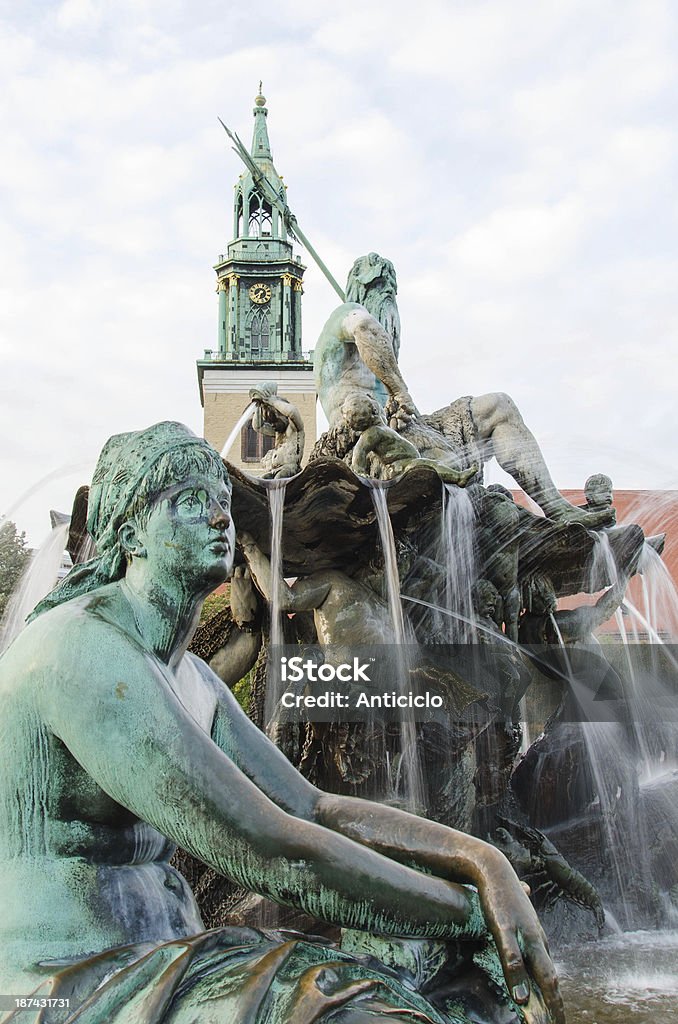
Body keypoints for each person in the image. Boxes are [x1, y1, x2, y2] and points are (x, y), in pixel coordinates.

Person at [0, 422, 563, 1023]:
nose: (220, 519)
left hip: (164, 956)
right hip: (55, 984)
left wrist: (482, 862)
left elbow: (314, 808)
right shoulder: (83, 649)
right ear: (131, 531)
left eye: (222, 502)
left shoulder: (191, 677)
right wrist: (472, 913)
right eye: (190, 503)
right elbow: (268, 847)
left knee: (465, 993)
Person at [314, 253, 614, 528]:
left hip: (408, 428)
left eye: (392, 287)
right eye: (380, 285)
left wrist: (403, 402)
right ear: (360, 289)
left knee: (498, 406)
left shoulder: (384, 352)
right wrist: (400, 390)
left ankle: (556, 507)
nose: (388, 293)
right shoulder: (347, 314)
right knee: (448, 466)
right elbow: (364, 327)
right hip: (366, 442)